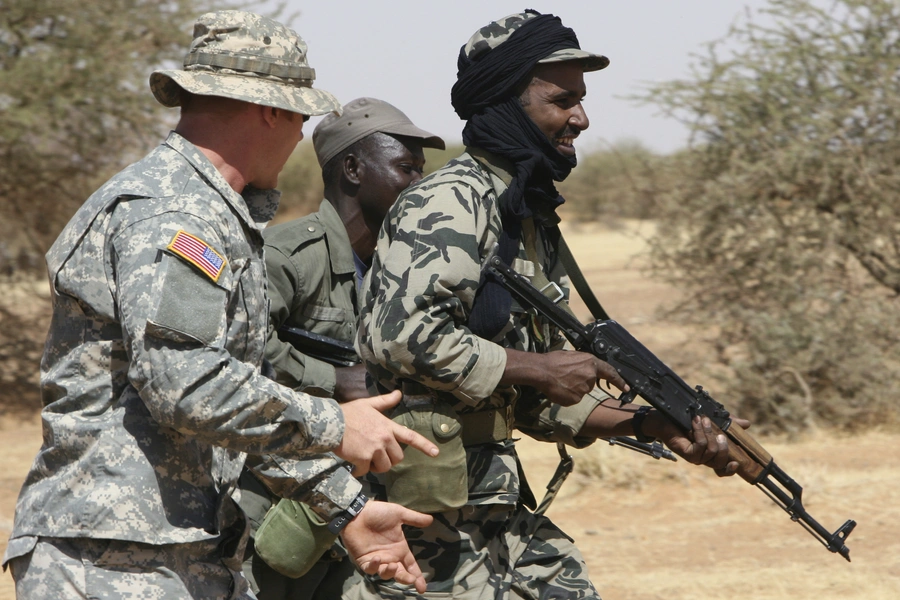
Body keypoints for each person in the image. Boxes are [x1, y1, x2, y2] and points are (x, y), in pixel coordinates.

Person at [1, 11, 438, 599]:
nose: (300, 136)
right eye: (301, 116)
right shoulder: (174, 213)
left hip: (180, 555)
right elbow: (184, 384)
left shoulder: (212, 213)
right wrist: (335, 423)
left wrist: (346, 508)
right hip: (115, 564)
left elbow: (233, 400)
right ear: (271, 110)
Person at [353, 10, 748, 599]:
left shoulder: (523, 213)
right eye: (563, 100)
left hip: (491, 497)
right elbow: (400, 335)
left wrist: (655, 424)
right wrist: (541, 368)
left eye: (581, 100)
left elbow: (540, 394)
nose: (581, 118)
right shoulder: (450, 202)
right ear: (508, 102)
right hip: (421, 510)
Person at [240, 97, 445, 599]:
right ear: (353, 169)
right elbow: (239, 353)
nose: (420, 184)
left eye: (422, 170)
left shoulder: (406, 270)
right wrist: (334, 380)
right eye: (405, 168)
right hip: (279, 495)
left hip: (367, 502)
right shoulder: (286, 256)